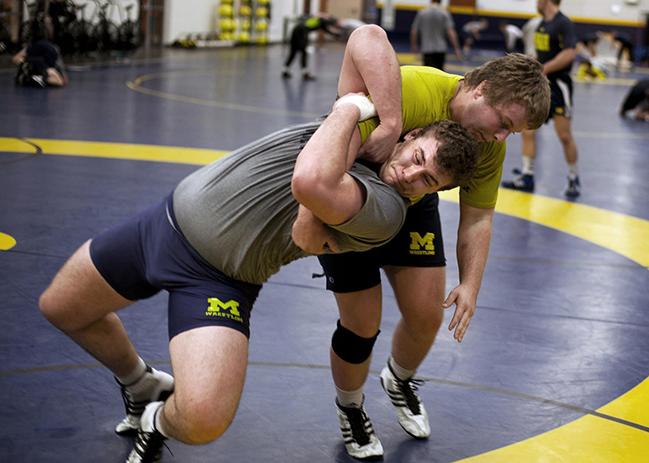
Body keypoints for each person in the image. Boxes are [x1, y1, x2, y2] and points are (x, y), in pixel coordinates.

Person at [38, 35, 480, 462]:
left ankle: (158, 420)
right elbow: (366, 37)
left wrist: (349, 106)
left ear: (436, 193)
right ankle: (139, 384)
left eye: (428, 182)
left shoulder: (386, 210)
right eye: (416, 160)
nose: (409, 177)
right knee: (61, 307)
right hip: (160, 224)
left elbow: (312, 182)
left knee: (203, 420)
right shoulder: (368, 136)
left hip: (217, 279)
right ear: (410, 135)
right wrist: (385, 119)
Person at [292, 25, 550, 461]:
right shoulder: (410, 91)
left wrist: (471, 284)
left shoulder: (488, 147)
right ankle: (351, 408)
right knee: (361, 325)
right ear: (481, 89)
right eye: (504, 123)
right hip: (353, 198)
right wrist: (309, 213)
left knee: (427, 314)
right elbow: (335, 136)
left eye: (513, 132)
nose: (502, 137)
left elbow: (478, 216)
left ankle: (399, 378)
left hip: (414, 201)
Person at [502, 0, 581, 198]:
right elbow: (540, 53)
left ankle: (574, 177)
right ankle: (527, 175)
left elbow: (570, 53)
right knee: (527, 131)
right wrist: (529, 65)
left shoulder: (564, 23)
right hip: (540, 86)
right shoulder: (541, 25)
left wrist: (545, 68)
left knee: (564, 136)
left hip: (559, 85)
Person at [281, 13, 341, 80]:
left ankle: (285, 70)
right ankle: (305, 73)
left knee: (293, 53)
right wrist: (335, 21)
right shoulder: (321, 20)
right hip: (300, 33)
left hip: (297, 31)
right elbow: (328, 21)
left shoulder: (320, 23)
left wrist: (337, 35)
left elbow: (328, 31)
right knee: (303, 52)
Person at [410, 0, 462, 70]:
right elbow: (451, 33)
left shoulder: (421, 14)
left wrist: (414, 45)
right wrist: (456, 48)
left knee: (427, 74)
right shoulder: (444, 14)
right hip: (441, 49)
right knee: (439, 74)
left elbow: (414, 32)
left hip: (427, 49)